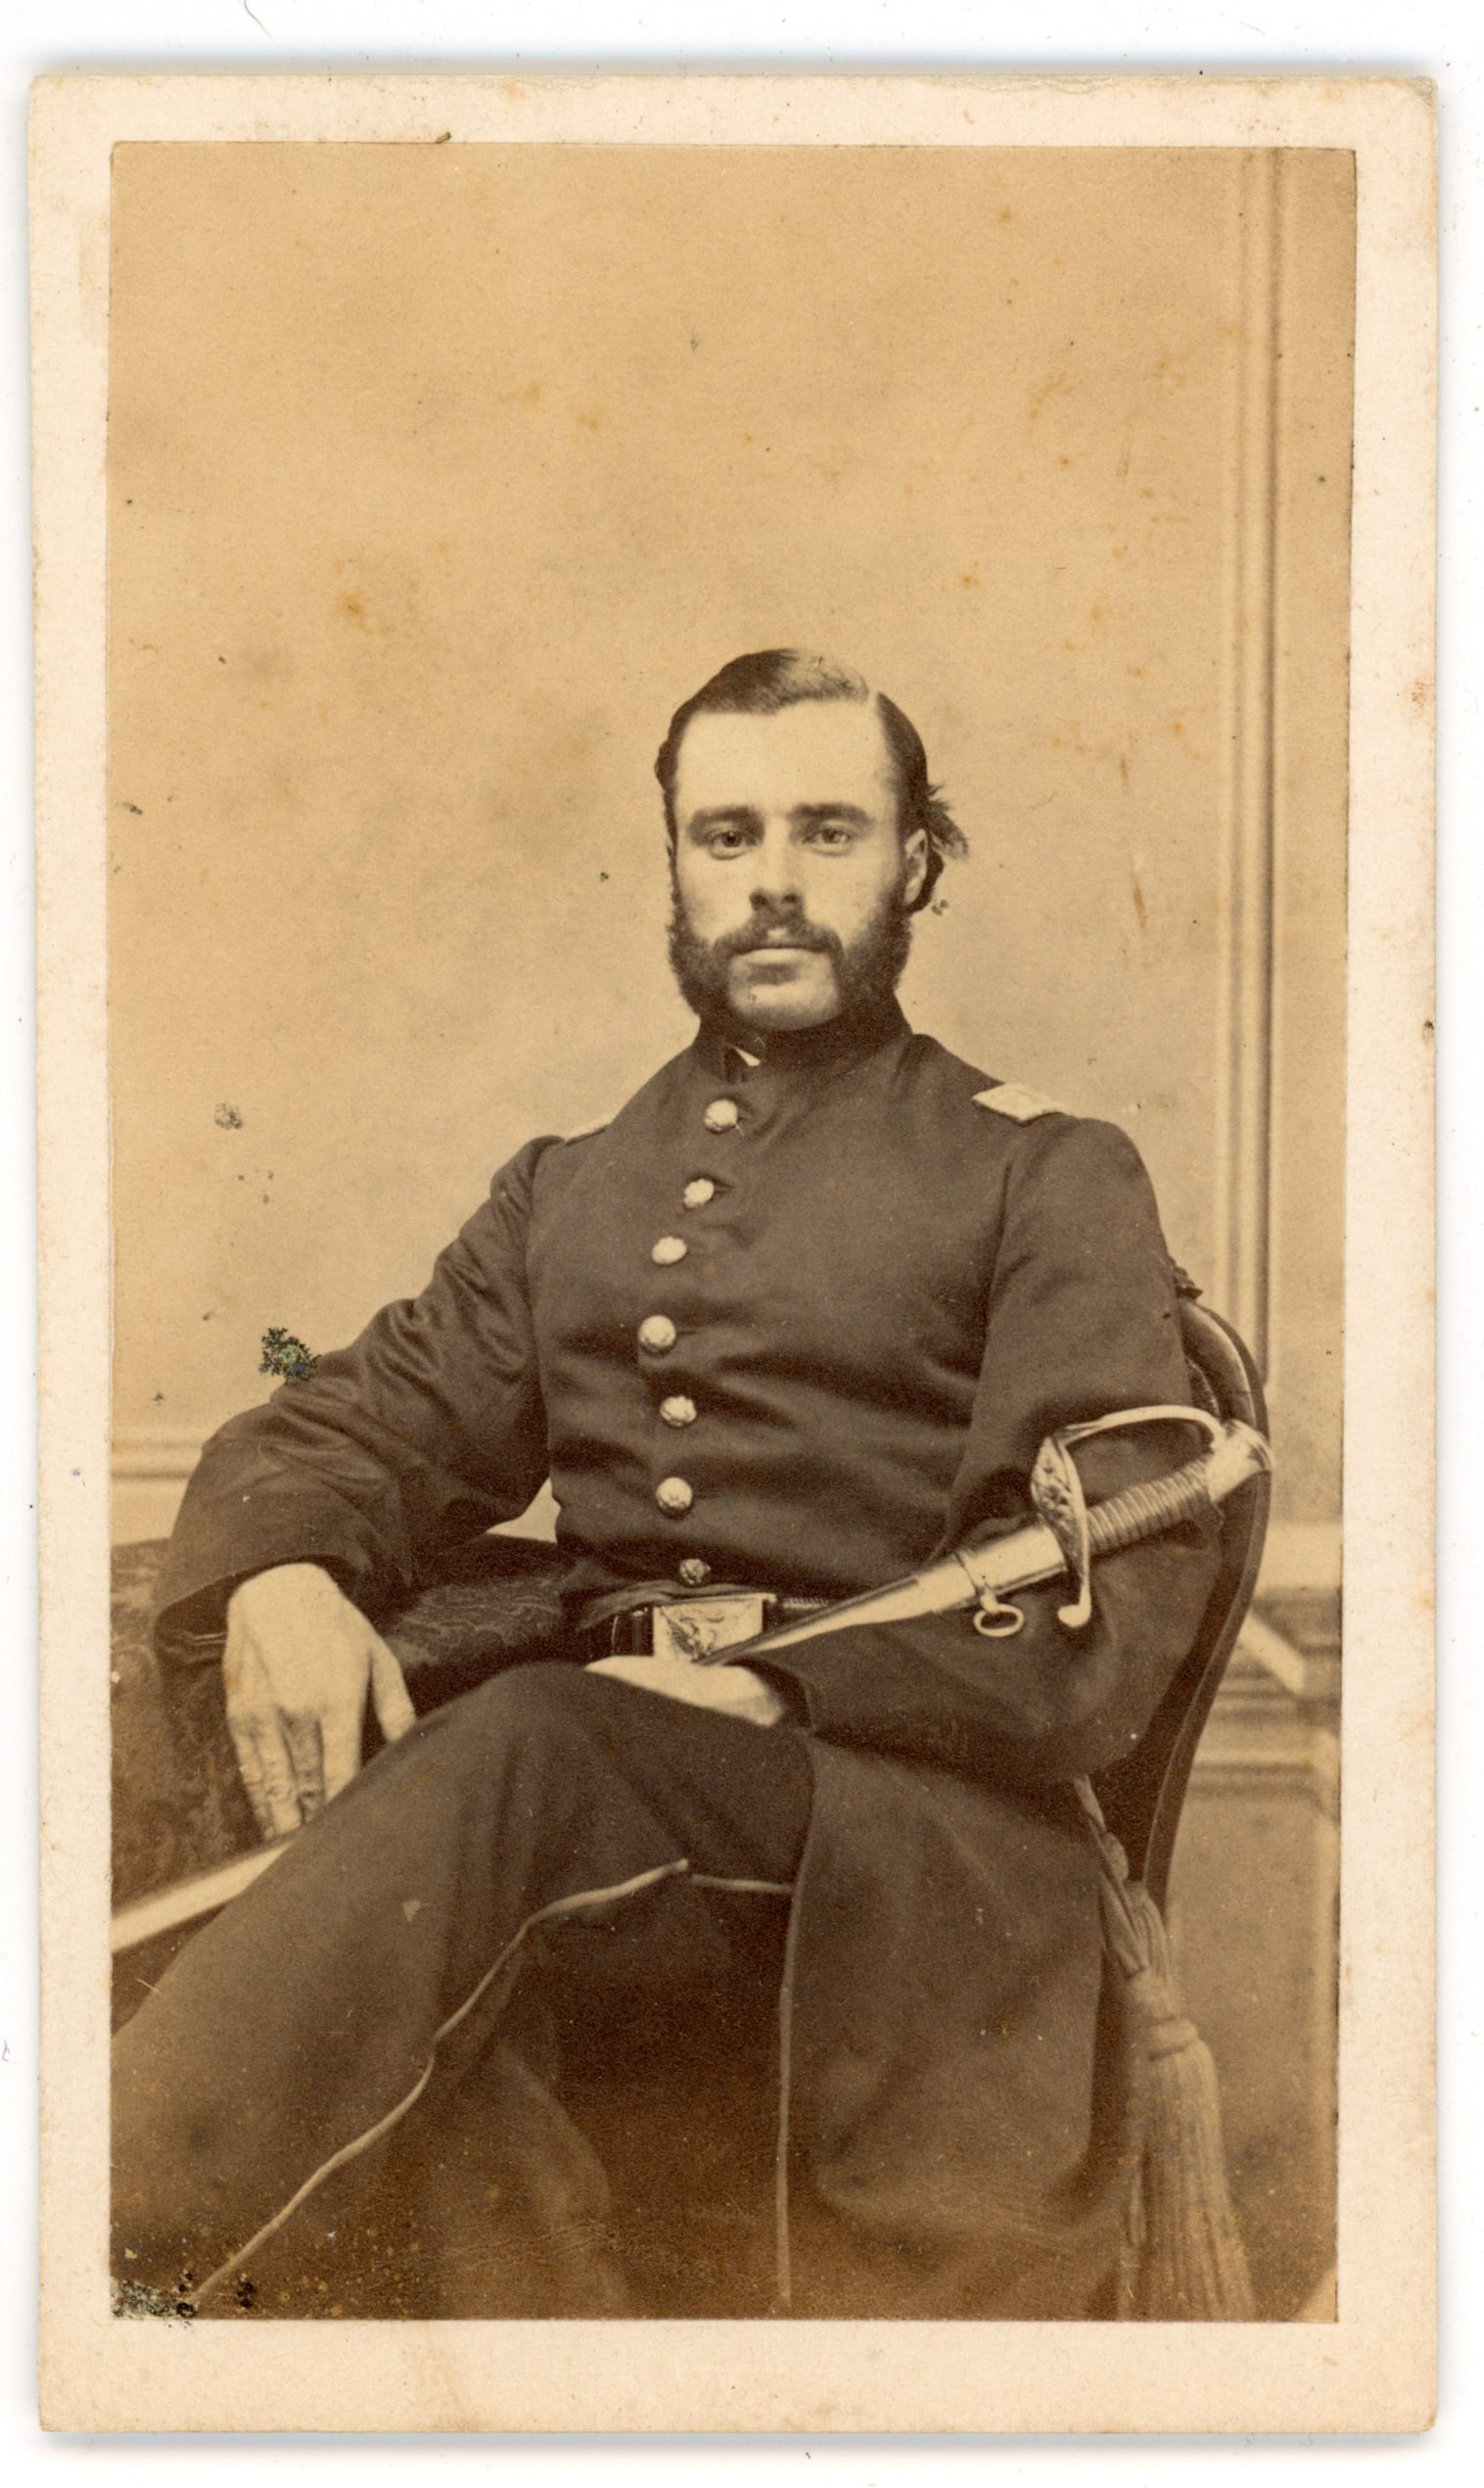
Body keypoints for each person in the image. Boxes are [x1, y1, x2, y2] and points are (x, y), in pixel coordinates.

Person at [113, 650, 1220, 2322]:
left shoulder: (1042, 1170)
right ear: (677, 865)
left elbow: (1098, 1596)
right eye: (725, 835)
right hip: (596, 1825)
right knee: (342, 1764)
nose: (770, 881)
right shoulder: (574, 1188)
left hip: (890, 1834)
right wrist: (283, 1575)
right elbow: (335, 1428)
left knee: (535, 1741)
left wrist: (772, 1684)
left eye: (828, 830)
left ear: (918, 862)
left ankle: (94, 2230)